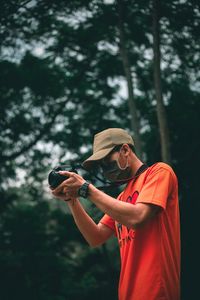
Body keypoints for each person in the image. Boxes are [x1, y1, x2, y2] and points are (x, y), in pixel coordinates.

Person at [50, 128, 180, 300]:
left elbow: (138, 217)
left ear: (125, 150)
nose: (104, 169)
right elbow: (95, 237)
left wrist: (86, 189)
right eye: (101, 166)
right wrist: (72, 200)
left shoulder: (159, 172)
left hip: (157, 293)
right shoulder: (121, 198)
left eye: (107, 162)